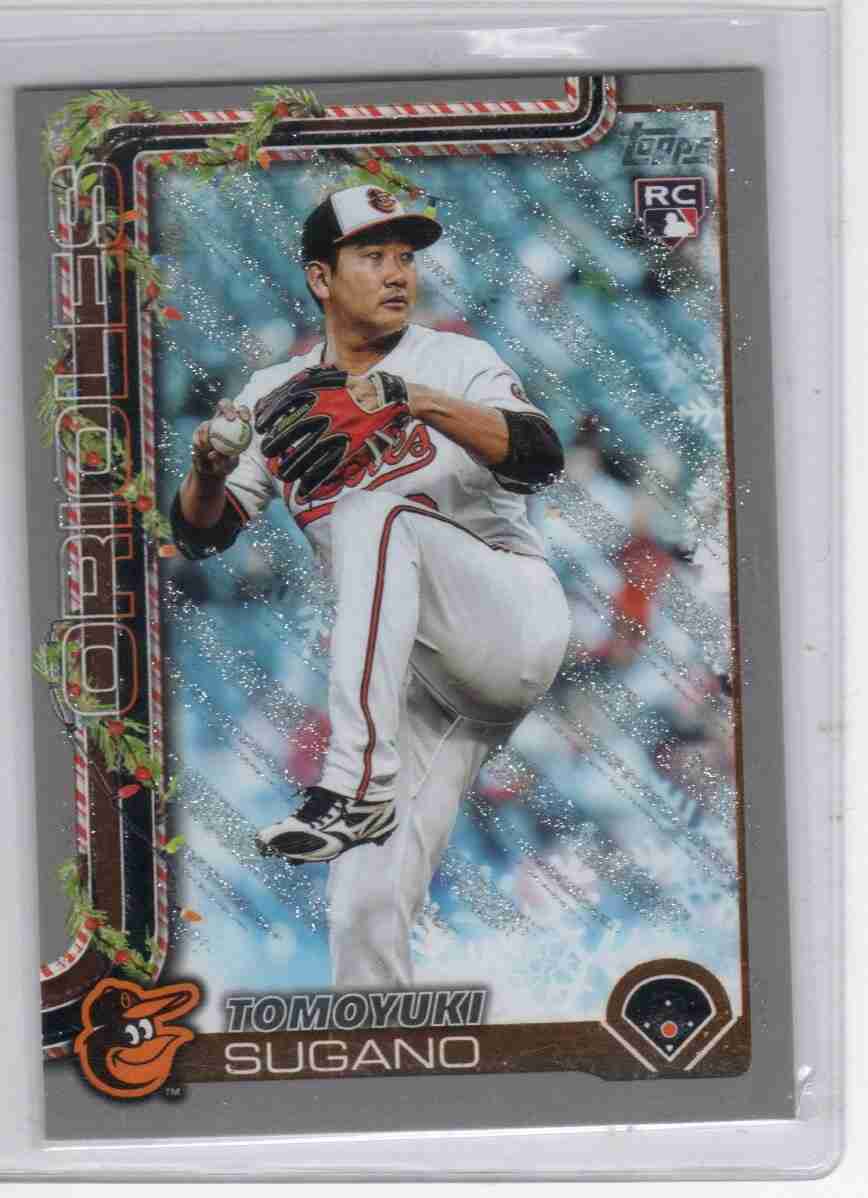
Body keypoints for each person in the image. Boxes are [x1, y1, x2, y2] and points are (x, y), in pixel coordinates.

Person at [171, 183, 571, 987]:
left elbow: (540, 456)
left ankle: (351, 785)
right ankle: (382, 1039)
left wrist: (414, 399)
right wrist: (207, 469)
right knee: (360, 909)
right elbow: (200, 535)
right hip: (415, 678)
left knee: (370, 512)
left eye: (406, 257)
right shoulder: (272, 393)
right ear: (321, 277)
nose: (398, 273)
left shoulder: (454, 359)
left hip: (507, 616)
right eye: (373, 255)